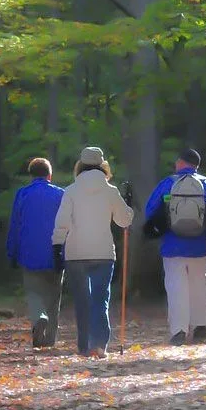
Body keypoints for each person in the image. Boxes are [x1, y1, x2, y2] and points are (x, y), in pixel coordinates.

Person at [52, 147, 134, 358]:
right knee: (100, 299)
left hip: (76, 253)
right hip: (103, 253)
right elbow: (124, 221)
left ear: (80, 165)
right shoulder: (111, 191)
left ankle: (83, 346)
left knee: (82, 300)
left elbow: (62, 222)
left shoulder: (70, 191)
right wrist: (129, 206)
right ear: (102, 165)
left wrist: (57, 245)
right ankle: (99, 345)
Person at [144, 149, 206, 345]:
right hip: (200, 245)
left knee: (176, 287)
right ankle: (202, 324)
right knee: (200, 283)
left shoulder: (168, 184)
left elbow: (150, 212)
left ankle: (179, 330)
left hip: (172, 245)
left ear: (180, 163)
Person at [6, 157, 65, 348]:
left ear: (31, 176)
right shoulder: (60, 195)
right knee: (54, 296)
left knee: (33, 292)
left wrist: (12, 252)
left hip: (29, 253)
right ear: (50, 175)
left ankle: (39, 317)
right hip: (55, 253)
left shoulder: (22, 194)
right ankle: (50, 339)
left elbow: (15, 225)